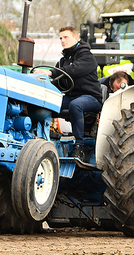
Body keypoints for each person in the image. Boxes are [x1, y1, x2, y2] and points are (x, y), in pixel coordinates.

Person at [32, 26, 101, 162]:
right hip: (71, 97)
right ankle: (41, 138)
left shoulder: (87, 57)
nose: (62, 40)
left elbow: (74, 69)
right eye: (61, 38)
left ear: (76, 38)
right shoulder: (63, 61)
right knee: (46, 103)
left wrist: (51, 72)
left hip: (91, 97)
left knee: (76, 105)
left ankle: (78, 147)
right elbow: (59, 82)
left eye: (66, 37)